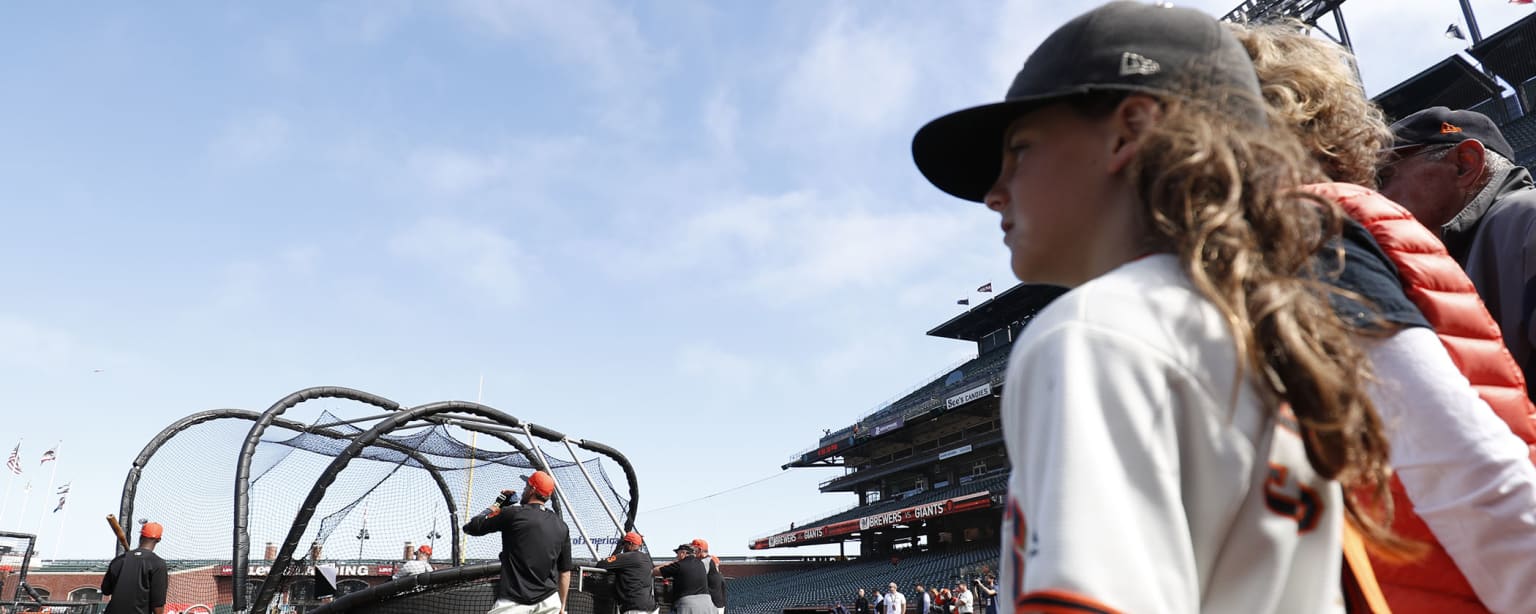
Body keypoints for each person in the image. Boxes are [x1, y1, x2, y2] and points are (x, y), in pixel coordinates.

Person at [910, 2, 1402, 612]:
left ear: (1128, 131)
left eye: (1020, 149)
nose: (994, 192)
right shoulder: (1270, 336)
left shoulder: (1097, 331)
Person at [1234, 23, 1536, 613]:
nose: (1376, 187)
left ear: (1464, 163)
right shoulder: (1434, 247)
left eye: (1389, 173)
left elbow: (1478, 475)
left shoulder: (1522, 223)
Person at [1378, 106, 1536, 400]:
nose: (1371, 197)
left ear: (1464, 164)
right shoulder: (1444, 257)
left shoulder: (1526, 217)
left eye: (1381, 179)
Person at [463, 471, 574, 614]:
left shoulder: (513, 513)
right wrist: (562, 606)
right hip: (549, 602)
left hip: (514, 601)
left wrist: (499, 502)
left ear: (532, 490)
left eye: (526, 486)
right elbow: (565, 572)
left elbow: (472, 527)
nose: (524, 490)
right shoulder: (561, 526)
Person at [102, 521, 168, 614]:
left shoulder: (118, 561)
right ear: (159, 539)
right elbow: (158, 604)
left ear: (141, 536)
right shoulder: (158, 563)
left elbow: (106, 590)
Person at [595, 532, 657, 614]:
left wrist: (618, 549)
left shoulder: (626, 557)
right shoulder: (646, 558)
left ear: (630, 544)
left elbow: (600, 565)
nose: (623, 546)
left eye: (624, 543)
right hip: (651, 607)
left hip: (635, 608)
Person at [656, 543, 712, 614]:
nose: (676, 556)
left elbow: (655, 571)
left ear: (683, 553)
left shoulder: (678, 565)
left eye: (677, 553)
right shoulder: (701, 564)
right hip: (707, 605)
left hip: (686, 606)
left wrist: (672, 563)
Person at [691, 539, 726, 614]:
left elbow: (694, 575)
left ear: (700, 549)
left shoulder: (706, 561)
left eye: (693, 549)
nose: (692, 552)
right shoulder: (707, 561)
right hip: (714, 605)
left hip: (713, 606)